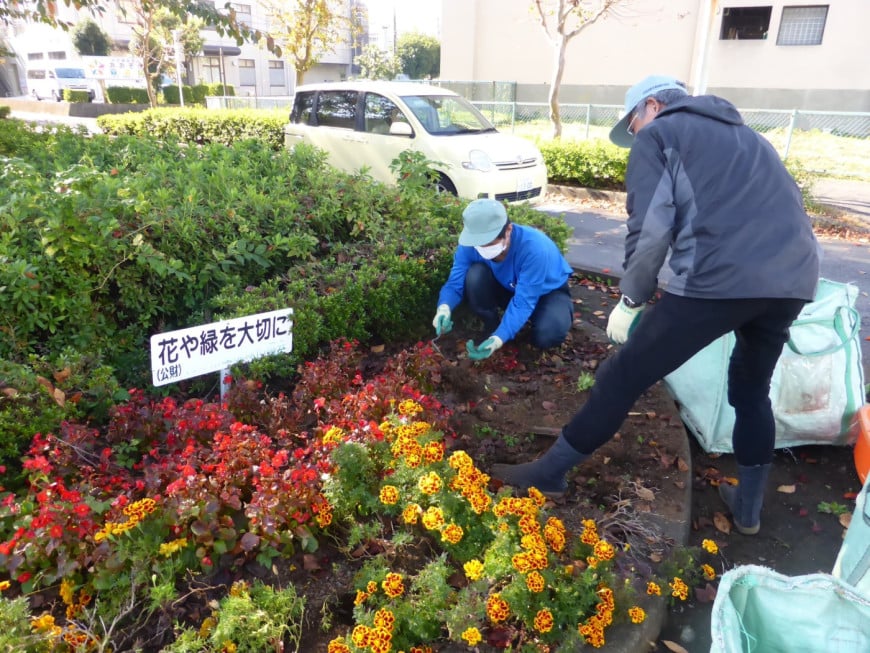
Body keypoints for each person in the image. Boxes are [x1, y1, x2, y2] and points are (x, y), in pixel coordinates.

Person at [492, 75, 820, 535]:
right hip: (793, 281)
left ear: (651, 106)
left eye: (633, 125)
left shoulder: (661, 135)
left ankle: (548, 475)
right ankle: (747, 511)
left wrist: (631, 298)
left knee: (622, 374)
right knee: (750, 391)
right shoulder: (753, 140)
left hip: (717, 279)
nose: (635, 138)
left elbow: (649, 230)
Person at [432, 198, 574, 360]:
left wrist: (499, 338)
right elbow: (454, 283)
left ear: (508, 230)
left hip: (547, 292)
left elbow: (523, 301)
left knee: (548, 334)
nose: (482, 249)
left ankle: (529, 331)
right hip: (507, 287)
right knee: (475, 275)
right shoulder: (470, 243)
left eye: (489, 243)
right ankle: (491, 324)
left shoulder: (534, 249)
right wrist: (444, 307)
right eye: (479, 244)